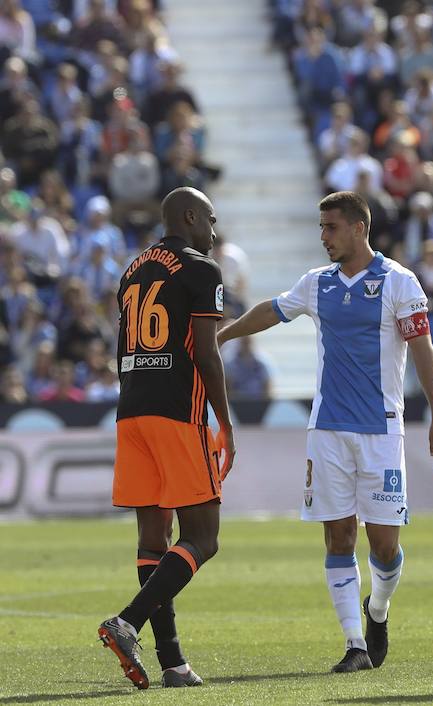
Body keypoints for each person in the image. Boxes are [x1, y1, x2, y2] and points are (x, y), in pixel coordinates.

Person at [216, 191, 433, 673]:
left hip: (381, 432)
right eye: (321, 228)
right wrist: (223, 335)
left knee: (385, 546)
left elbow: (423, 351)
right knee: (339, 536)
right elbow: (273, 309)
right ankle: (354, 646)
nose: (323, 236)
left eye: (331, 227)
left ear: (358, 228)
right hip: (326, 431)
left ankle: (378, 610)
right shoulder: (317, 284)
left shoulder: (399, 282)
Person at [97, 187, 236, 690]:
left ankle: (173, 663)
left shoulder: (132, 270)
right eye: (212, 221)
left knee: (152, 542)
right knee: (203, 538)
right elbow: (206, 351)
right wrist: (223, 419)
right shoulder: (202, 269)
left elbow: (121, 348)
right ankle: (127, 622)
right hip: (178, 413)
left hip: (131, 410)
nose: (215, 232)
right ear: (190, 216)